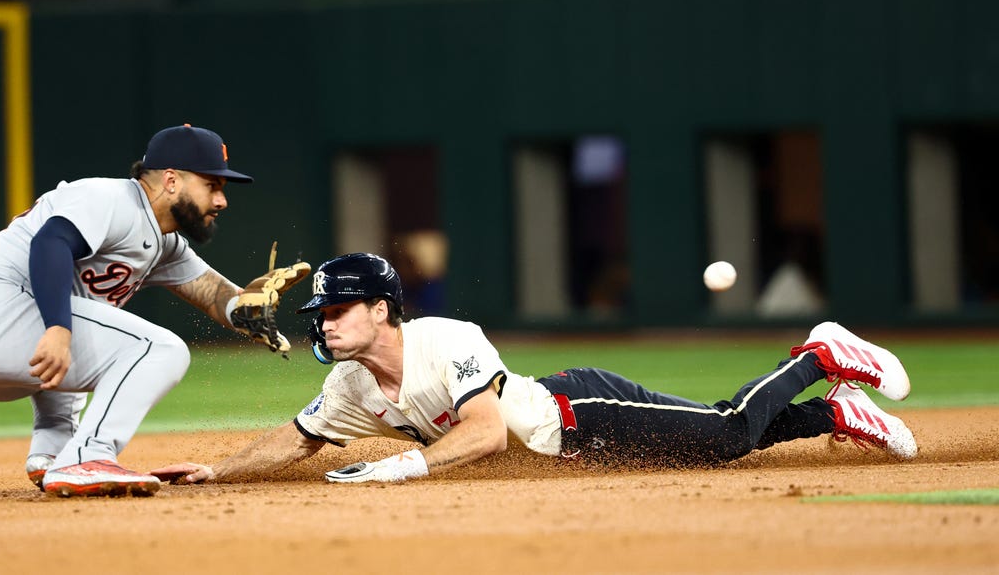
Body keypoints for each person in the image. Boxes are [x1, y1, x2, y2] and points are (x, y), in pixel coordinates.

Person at [151, 252, 916, 485]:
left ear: (382, 309)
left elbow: (484, 433)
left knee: (724, 431)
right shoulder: (348, 384)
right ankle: (838, 412)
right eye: (320, 314)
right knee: (720, 447)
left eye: (338, 309)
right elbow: (297, 437)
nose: (323, 321)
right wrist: (218, 472)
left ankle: (818, 354)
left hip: (584, 410)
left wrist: (402, 468)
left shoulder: (446, 336)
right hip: (571, 439)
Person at [0, 124, 309, 497]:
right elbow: (51, 243)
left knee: (90, 324)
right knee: (158, 349)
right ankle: (87, 457)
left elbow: (211, 293)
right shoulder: (110, 199)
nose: (222, 200)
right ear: (171, 180)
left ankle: (55, 452)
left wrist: (247, 309)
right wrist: (58, 329)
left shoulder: (163, 241)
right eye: (212, 185)